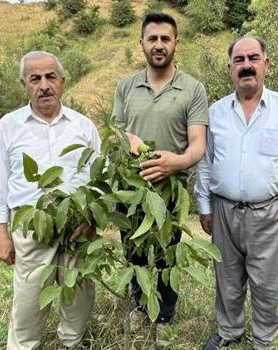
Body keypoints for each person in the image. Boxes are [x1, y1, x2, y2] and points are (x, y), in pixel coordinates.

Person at [194, 37, 278, 350]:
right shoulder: (216, 112)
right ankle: (229, 331)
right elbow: (206, 164)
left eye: (253, 57)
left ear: (265, 63)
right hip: (224, 211)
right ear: (230, 68)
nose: (246, 65)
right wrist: (205, 206)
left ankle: (263, 341)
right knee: (227, 278)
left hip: (272, 213)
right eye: (239, 60)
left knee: (269, 283)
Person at [0, 51, 101, 350]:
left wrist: (92, 221)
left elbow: (99, 179)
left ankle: (72, 341)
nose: (44, 85)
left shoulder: (83, 126)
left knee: (78, 289)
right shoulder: (8, 126)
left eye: (51, 77)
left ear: (62, 81)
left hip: (79, 225)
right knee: (29, 296)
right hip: (31, 225)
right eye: (35, 78)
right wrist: (1, 234)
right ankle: (24, 345)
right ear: (24, 84)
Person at [112, 12, 209, 339]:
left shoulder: (193, 88)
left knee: (168, 255)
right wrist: (128, 141)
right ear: (141, 43)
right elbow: (116, 133)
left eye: (165, 39)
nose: (158, 45)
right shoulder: (126, 86)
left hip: (171, 192)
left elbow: (198, 145)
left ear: (175, 43)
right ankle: (139, 311)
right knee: (134, 253)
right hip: (130, 190)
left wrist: (176, 162)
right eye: (152, 38)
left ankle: (165, 318)